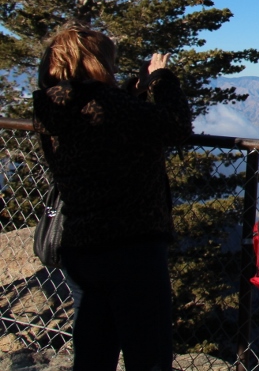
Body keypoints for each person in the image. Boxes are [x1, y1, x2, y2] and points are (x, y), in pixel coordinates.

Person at [32, 23, 192, 371]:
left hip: (81, 244)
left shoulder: (52, 106)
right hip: (133, 248)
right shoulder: (108, 105)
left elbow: (103, 125)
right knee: (148, 356)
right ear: (94, 61)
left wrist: (132, 91)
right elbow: (176, 125)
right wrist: (162, 79)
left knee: (93, 349)